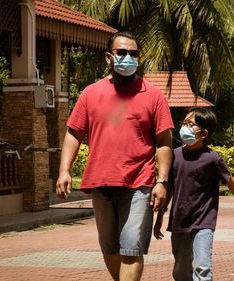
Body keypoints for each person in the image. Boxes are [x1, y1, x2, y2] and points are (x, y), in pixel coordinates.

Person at [55, 31, 174, 281]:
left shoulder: (153, 95)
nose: (128, 58)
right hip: (100, 181)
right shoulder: (90, 93)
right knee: (110, 249)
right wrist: (64, 170)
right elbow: (73, 134)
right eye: (122, 53)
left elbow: (164, 142)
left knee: (131, 248)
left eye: (134, 53)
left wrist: (162, 181)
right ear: (109, 57)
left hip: (139, 183)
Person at [153, 107, 234, 281]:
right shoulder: (175, 156)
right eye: (184, 123)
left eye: (190, 124)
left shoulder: (213, 158)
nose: (185, 127)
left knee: (202, 268)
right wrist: (159, 218)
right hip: (179, 221)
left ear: (203, 133)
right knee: (180, 270)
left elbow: (230, 181)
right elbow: (169, 189)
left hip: (204, 221)